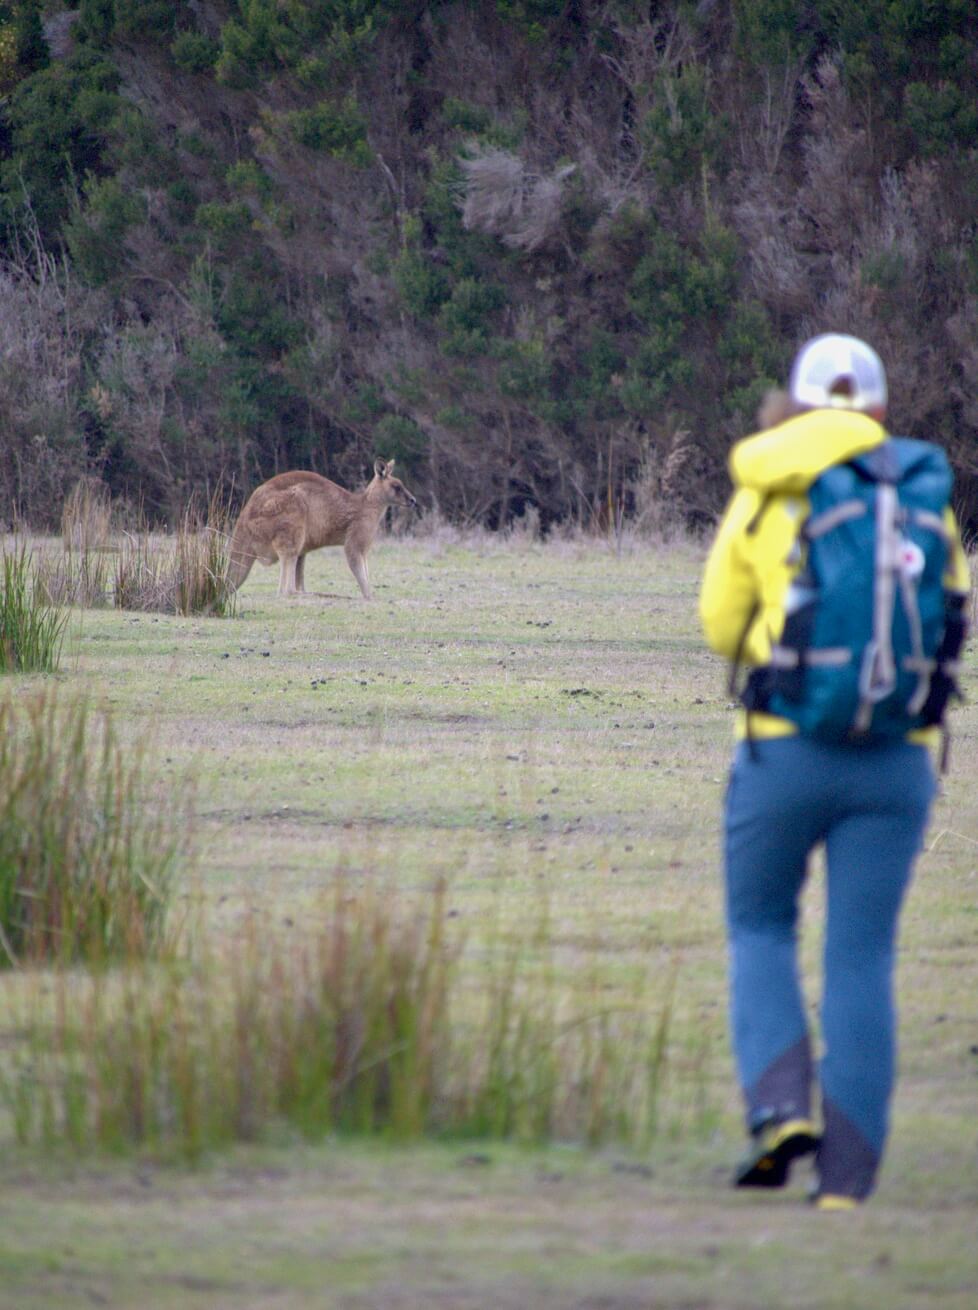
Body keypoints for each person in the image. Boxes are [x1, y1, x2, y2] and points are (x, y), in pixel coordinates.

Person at [699, 334, 970, 1209]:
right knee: (862, 958)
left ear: (799, 405)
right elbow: (950, 616)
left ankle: (780, 1112)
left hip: (784, 750)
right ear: (882, 412)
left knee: (761, 930)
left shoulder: (767, 485)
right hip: (897, 763)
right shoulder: (921, 492)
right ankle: (847, 1185)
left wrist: (787, 663)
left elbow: (720, 623)